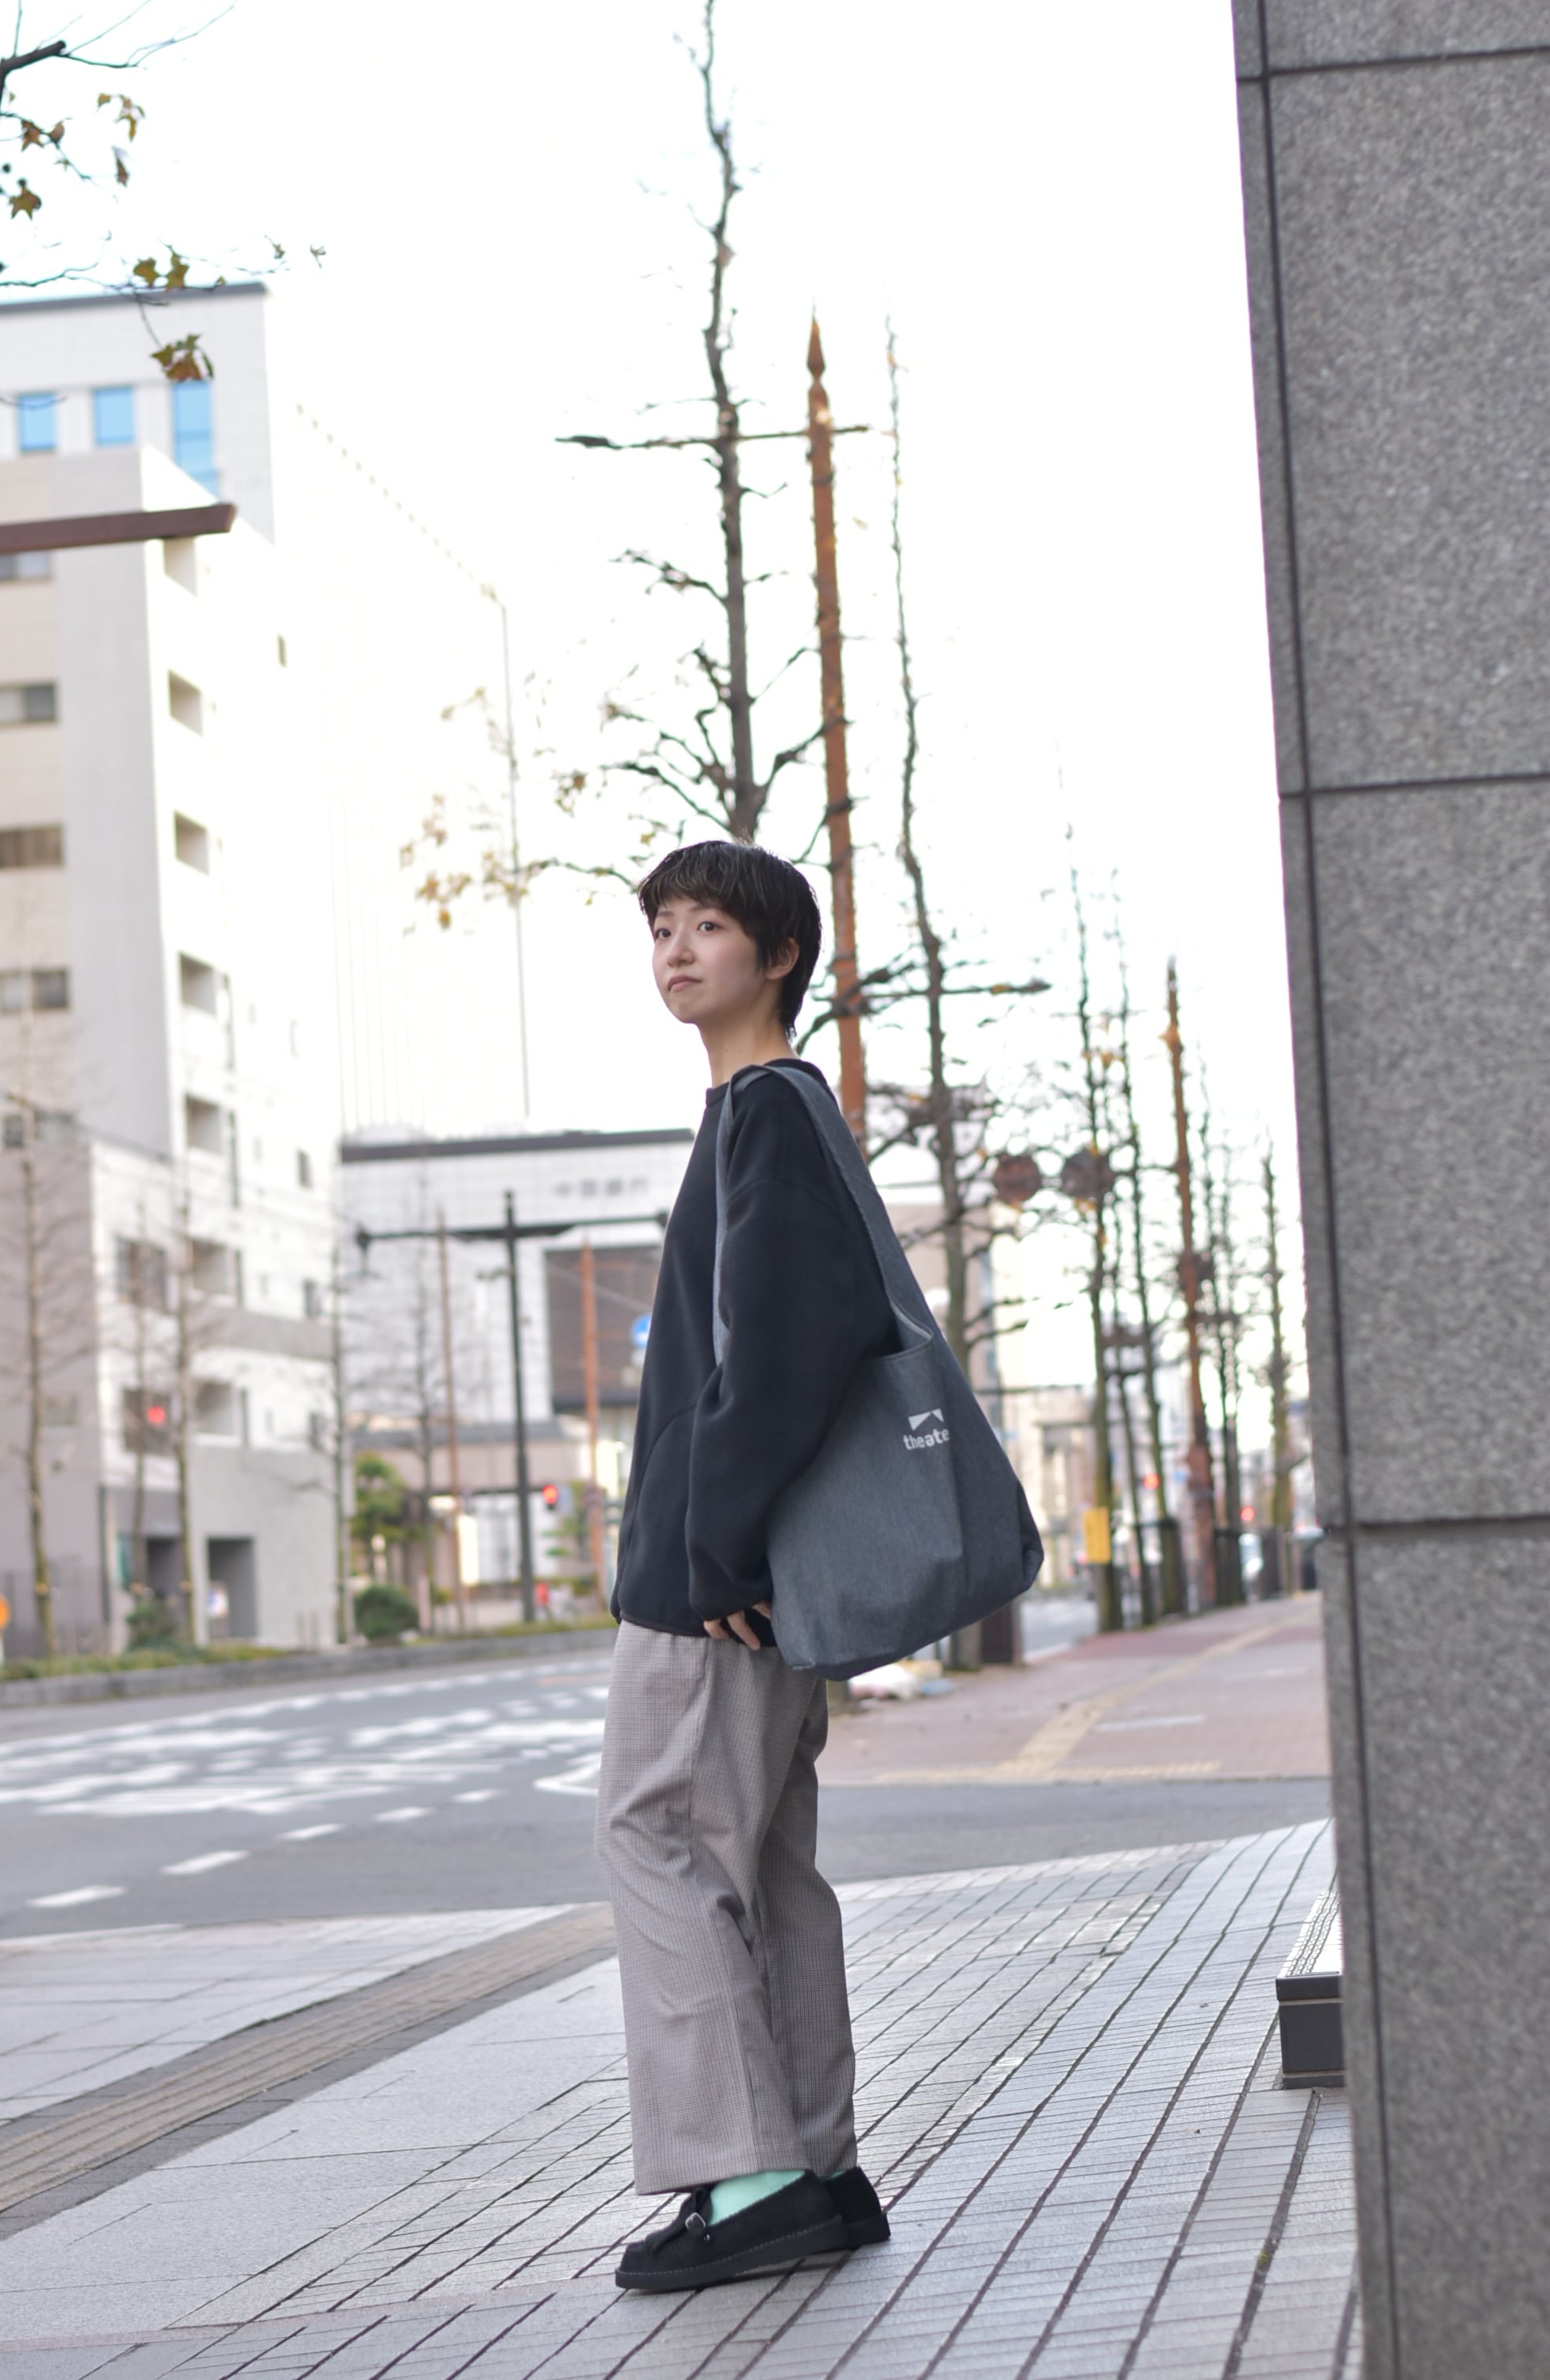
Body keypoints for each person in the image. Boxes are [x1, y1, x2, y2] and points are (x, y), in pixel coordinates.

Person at [598, 839, 896, 2293]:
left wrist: (712, 1543)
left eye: (708, 924)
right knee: (764, 1865)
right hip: (754, 1565)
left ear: (778, 955)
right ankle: (818, 2170)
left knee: (656, 1834)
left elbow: (784, 1350)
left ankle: (756, 2176)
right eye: (661, 925)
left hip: (715, 1576)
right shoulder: (764, 1112)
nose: (676, 948)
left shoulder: (768, 1113)